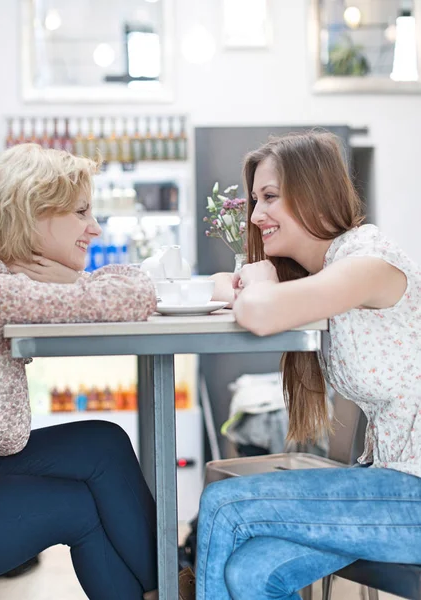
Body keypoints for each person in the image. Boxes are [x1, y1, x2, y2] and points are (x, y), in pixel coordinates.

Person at [0, 143, 194, 600]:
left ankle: (171, 585)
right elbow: (133, 299)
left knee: (102, 442)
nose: (94, 229)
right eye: (81, 212)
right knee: (78, 508)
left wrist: (72, 281)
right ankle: (175, 588)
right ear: (32, 214)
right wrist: (82, 281)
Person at [197, 131, 421, 600]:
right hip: (390, 479)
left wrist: (257, 281)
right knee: (252, 572)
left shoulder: (367, 261)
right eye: (255, 200)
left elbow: (258, 310)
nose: (255, 216)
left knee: (223, 505)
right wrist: (251, 281)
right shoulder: (330, 271)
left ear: (314, 194)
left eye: (269, 198)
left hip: (412, 489)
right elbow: (224, 286)